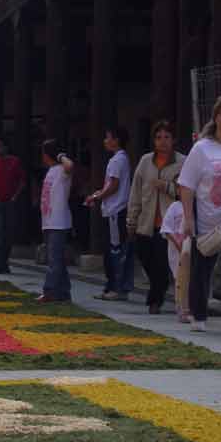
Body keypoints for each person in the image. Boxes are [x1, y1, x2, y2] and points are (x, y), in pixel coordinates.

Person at [179, 95, 221, 335]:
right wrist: (188, 218)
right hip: (206, 219)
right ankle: (199, 314)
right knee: (202, 270)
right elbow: (186, 185)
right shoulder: (202, 149)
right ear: (215, 117)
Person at [126, 121, 185, 314]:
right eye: (159, 137)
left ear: (173, 139)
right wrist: (131, 218)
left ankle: (155, 300)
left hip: (169, 223)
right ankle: (159, 286)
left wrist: (165, 186)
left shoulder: (182, 162)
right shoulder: (145, 161)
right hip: (146, 221)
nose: (163, 142)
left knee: (160, 262)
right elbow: (135, 191)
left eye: (167, 137)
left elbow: (185, 191)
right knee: (144, 257)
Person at [85, 126, 134, 301]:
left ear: (116, 140)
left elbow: (113, 186)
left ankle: (116, 287)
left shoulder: (117, 160)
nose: (105, 141)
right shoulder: (121, 159)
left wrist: (96, 197)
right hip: (115, 209)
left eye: (108, 137)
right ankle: (112, 286)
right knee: (114, 249)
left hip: (115, 210)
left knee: (115, 250)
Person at [37, 140, 74, 304]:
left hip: (58, 222)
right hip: (49, 221)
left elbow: (70, 166)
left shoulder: (61, 170)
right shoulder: (51, 171)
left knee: (54, 259)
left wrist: (60, 156)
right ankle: (64, 292)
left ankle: (50, 291)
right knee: (57, 259)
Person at [0, 138, 26, 274]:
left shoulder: (14, 162)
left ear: (6, 147)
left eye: (1, 146)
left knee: (8, 233)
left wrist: (15, 196)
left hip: (10, 202)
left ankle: (4, 263)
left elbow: (22, 181)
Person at [160, 198, 191, 323]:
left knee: (192, 279)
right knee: (179, 278)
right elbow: (166, 228)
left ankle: (191, 309)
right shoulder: (174, 206)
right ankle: (181, 309)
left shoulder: (197, 205)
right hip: (176, 247)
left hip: (192, 246)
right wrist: (177, 241)